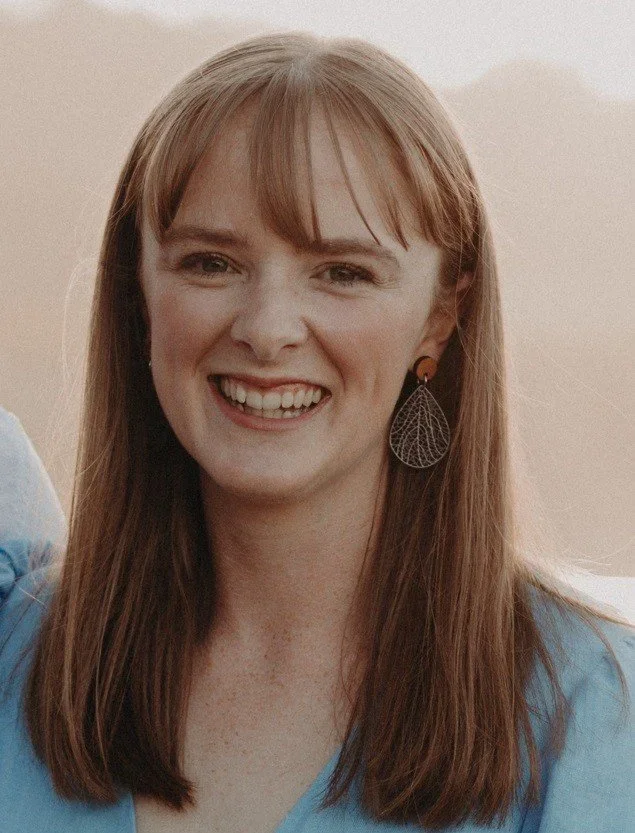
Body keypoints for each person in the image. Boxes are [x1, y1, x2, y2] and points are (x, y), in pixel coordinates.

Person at [1, 31, 633, 833]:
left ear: (440, 315)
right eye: (209, 263)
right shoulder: (14, 650)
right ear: (139, 287)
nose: (267, 329)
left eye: (342, 272)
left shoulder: (596, 717)